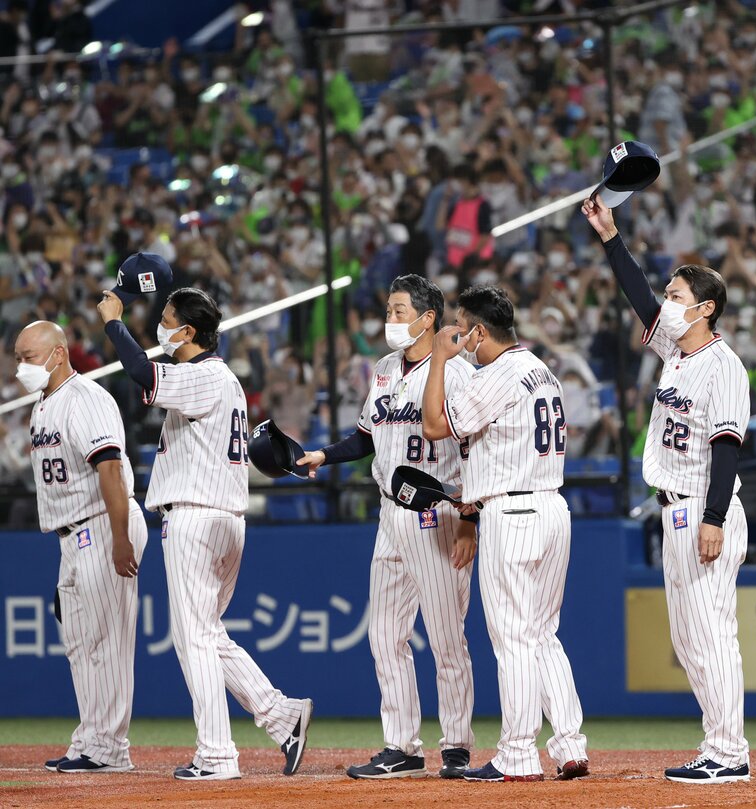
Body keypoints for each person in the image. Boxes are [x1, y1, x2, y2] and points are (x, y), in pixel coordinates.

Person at [98, 281, 312, 781]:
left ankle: (217, 755)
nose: (163, 328)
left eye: (169, 321)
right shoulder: (226, 380)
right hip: (225, 518)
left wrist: (114, 322)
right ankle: (280, 714)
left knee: (193, 636)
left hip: (196, 515)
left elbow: (143, 376)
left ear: (190, 331)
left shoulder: (203, 376)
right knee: (207, 632)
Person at [583, 195, 751, 784]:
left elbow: (727, 445)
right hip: (674, 512)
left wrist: (713, 518)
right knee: (690, 636)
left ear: (705, 308)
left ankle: (729, 752)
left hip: (705, 509)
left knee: (711, 634)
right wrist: (610, 237)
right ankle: (719, 744)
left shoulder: (723, 365)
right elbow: (636, 297)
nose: (667, 304)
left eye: (677, 297)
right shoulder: (676, 353)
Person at [295, 275, 478, 780]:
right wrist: (322, 457)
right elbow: (364, 438)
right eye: (390, 309)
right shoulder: (382, 371)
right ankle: (402, 744)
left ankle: (457, 745)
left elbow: (472, 448)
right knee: (384, 636)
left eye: (400, 311)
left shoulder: (456, 373)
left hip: (438, 511)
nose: (390, 320)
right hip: (390, 515)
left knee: (445, 638)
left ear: (427, 320)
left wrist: (469, 519)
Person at [420, 284, 588, 783]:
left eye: (461, 326)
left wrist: (437, 360)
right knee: (542, 635)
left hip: (512, 514)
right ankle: (569, 745)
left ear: (479, 330)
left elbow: (433, 426)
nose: (456, 334)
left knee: (513, 637)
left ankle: (516, 752)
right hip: (551, 507)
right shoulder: (541, 368)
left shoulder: (497, 373)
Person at [15, 321, 147, 774]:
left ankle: (109, 749)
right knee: (79, 643)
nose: (20, 367)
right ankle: (91, 741)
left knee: (107, 643)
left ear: (57, 354)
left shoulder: (86, 399)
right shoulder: (44, 405)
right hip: (74, 536)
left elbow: (109, 468)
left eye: (28, 357)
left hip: (104, 523)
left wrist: (121, 536)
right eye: (17, 357)